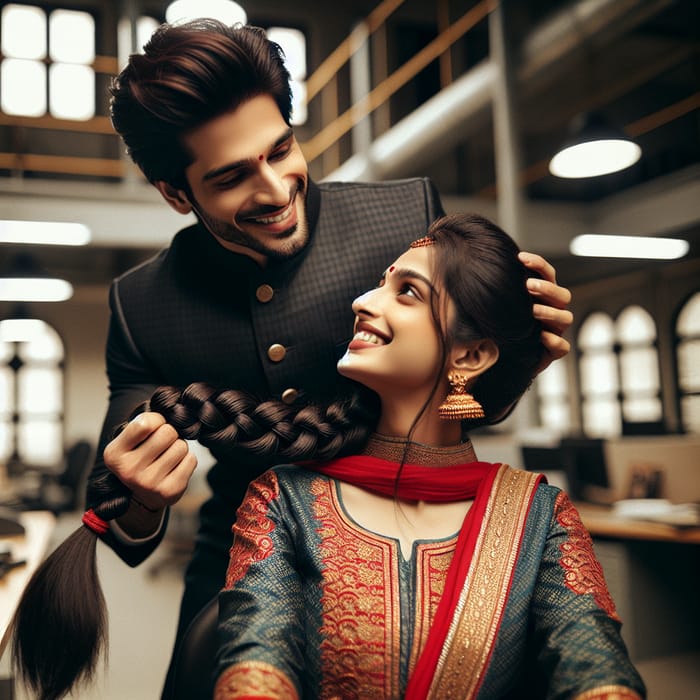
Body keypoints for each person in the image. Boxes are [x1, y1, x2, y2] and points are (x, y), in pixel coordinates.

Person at [85, 17, 572, 697]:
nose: (278, 189)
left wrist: (512, 365)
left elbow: (455, 410)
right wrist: (139, 497)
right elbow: (113, 511)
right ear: (176, 193)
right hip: (234, 566)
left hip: (416, 544)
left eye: (281, 149)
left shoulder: (407, 217)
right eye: (232, 177)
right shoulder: (141, 305)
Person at [11, 214, 640, 700]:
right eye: (379, 283)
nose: (364, 301)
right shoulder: (286, 501)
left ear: (470, 357)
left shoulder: (537, 516)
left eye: (407, 292)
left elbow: (592, 664)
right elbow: (256, 662)